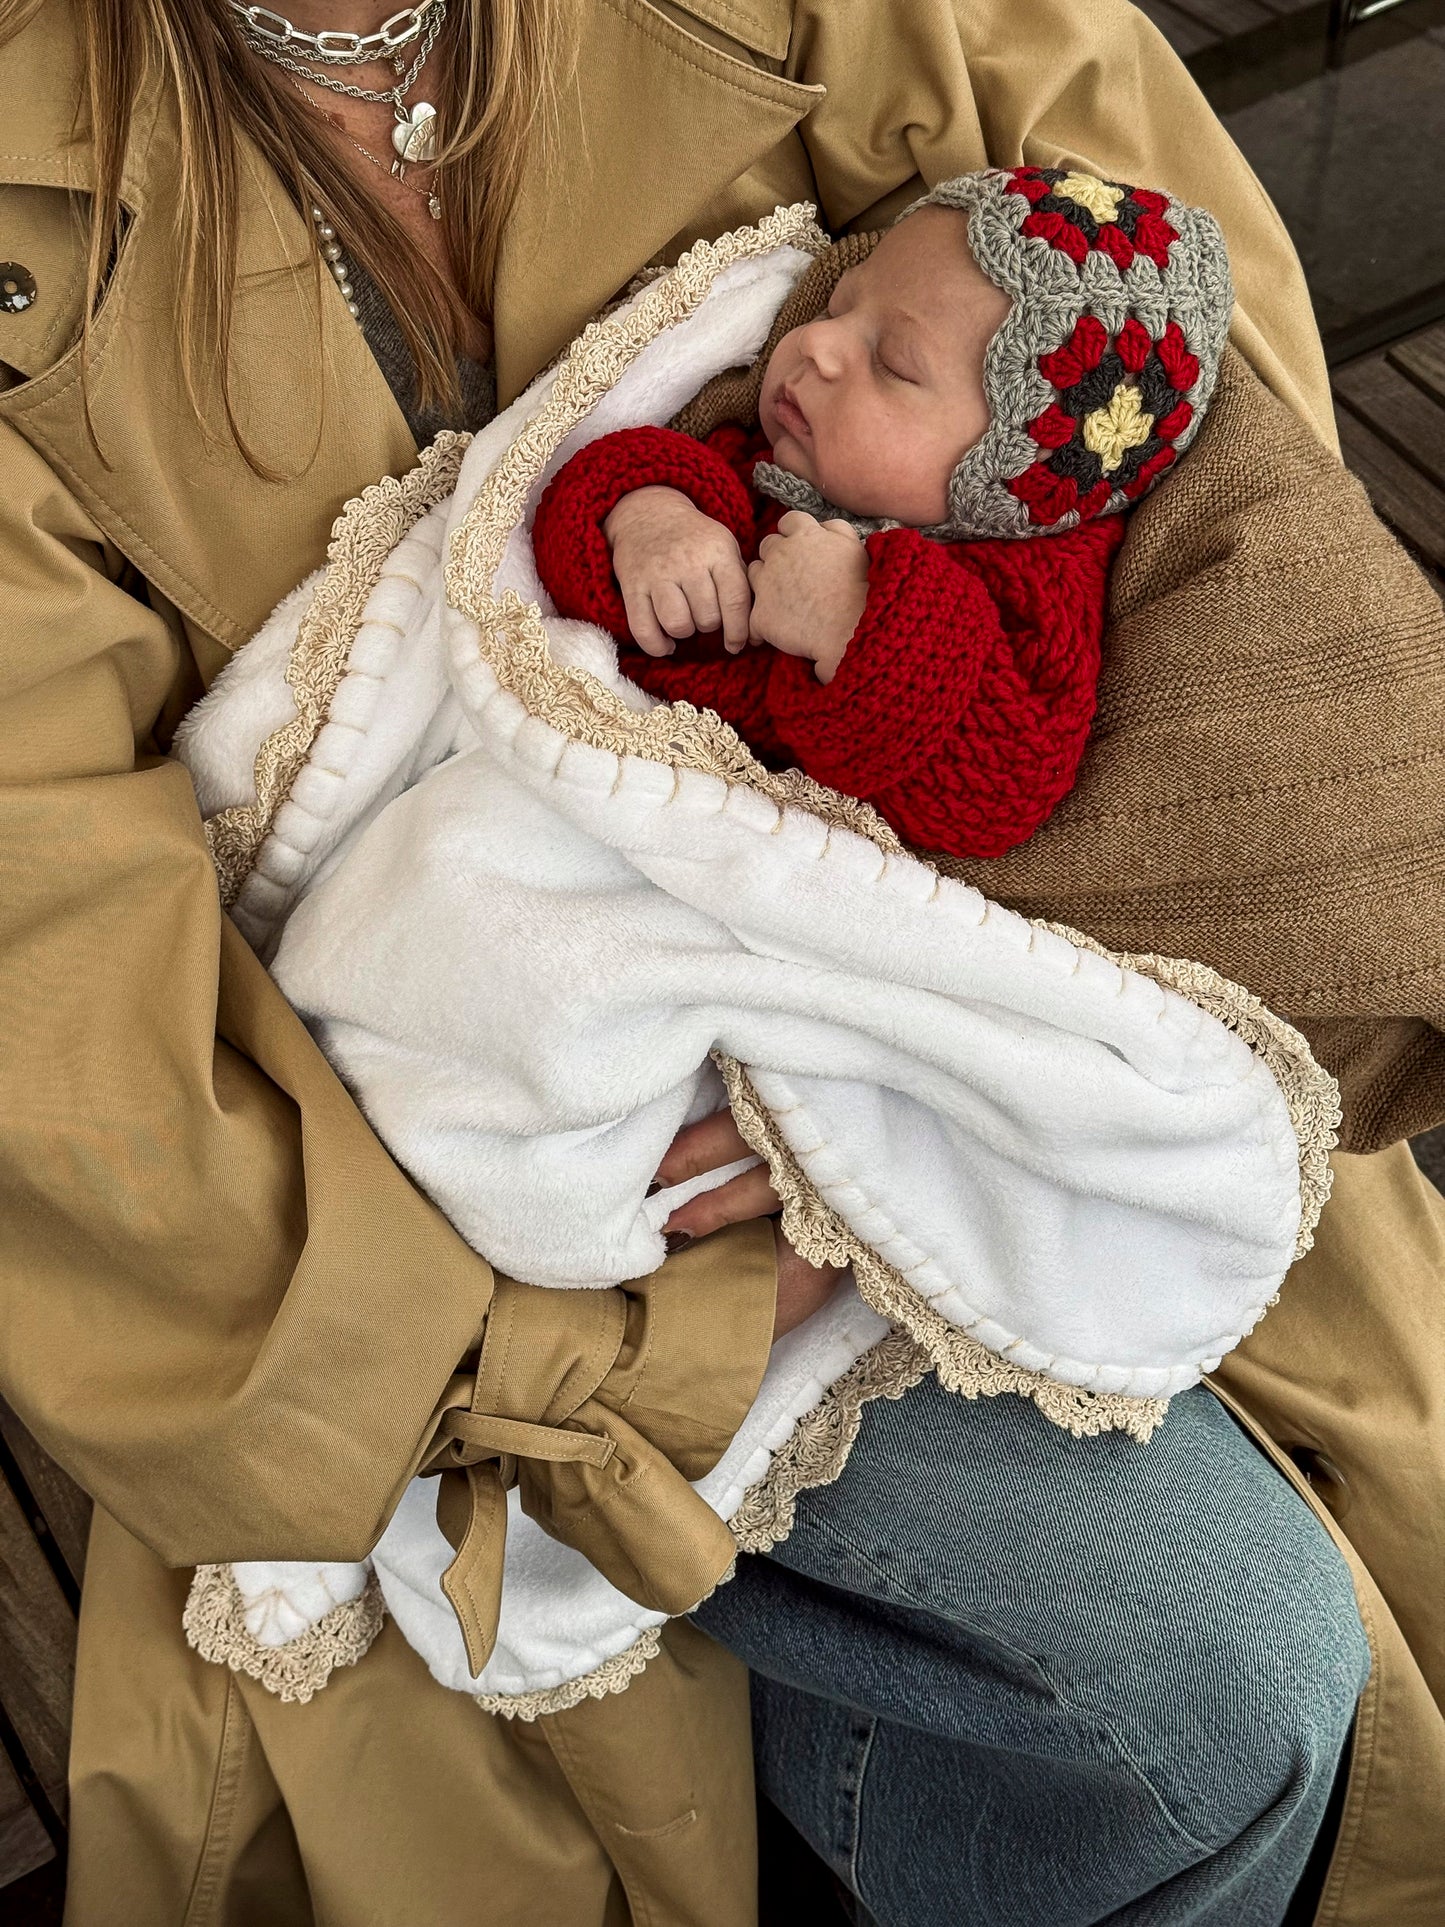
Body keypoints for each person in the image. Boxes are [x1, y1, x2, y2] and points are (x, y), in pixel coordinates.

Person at [1, 0, 1441, 1922]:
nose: (818, 354)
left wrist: (888, 1081)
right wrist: (600, 1345)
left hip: (939, 1003)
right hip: (415, 1202)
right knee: (1216, 1676)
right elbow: (55, 975)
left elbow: (1182, 458)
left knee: (1251, 1687)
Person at [533, 168, 1230, 859]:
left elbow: (1000, 790)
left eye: (894, 363)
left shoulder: (1025, 587)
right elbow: (582, 499)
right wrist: (648, 515)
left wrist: (854, 624)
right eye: (838, 308)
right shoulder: (768, 462)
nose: (817, 344)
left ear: (1014, 473)